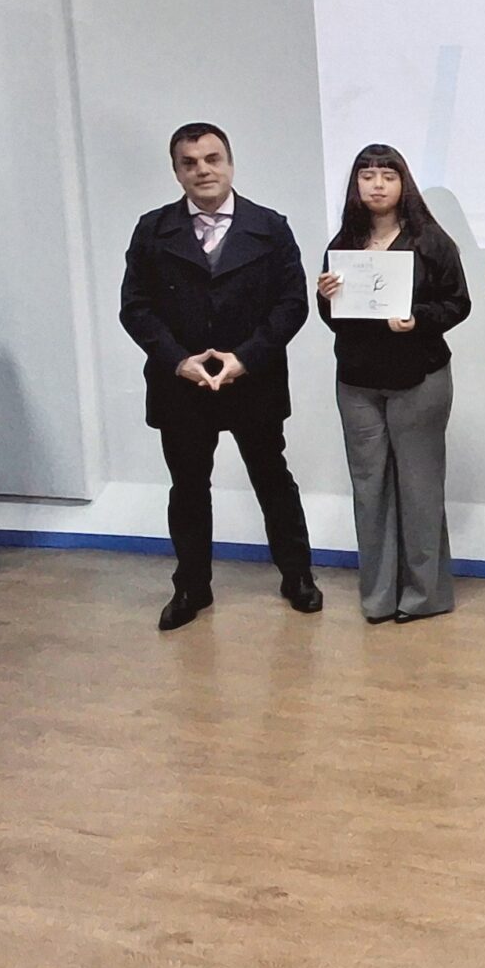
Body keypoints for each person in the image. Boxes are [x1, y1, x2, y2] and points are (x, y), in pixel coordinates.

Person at [118, 121, 319, 631]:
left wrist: (245, 358)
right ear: (176, 171)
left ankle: (297, 576)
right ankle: (191, 586)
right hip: (181, 384)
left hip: (253, 380)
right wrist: (178, 360)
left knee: (272, 479)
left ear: (230, 163)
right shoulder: (152, 229)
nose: (202, 171)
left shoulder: (270, 226)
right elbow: (135, 307)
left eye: (212, 159)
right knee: (187, 487)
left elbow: (292, 304)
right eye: (189, 163)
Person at [314, 144, 470, 625]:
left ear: (404, 183)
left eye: (387, 175)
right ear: (355, 185)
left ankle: (425, 595)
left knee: (419, 489)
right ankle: (378, 596)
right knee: (369, 489)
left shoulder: (431, 242)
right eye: (367, 176)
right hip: (358, 382)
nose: (377, 185)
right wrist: (325, 297)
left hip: (419, 378)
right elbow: (334, 319)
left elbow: (458, 304)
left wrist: (417, 319)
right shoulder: (344, 244)